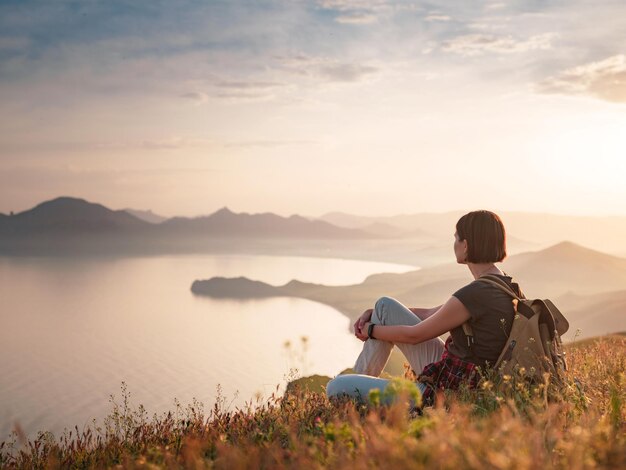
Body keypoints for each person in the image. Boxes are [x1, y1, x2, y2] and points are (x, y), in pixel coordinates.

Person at [326, 210, 523, 406]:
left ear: (466, 244)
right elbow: (431, 313)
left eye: (456, 238)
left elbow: (415, 335)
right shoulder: (504, 285)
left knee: (336, 387)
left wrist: (371, 330)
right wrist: (375, 314)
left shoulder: (477, 293)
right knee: (385, 306)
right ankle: (358, 393)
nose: (454, 243)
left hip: (445, 394)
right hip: (462, 376)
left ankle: (353, 399)